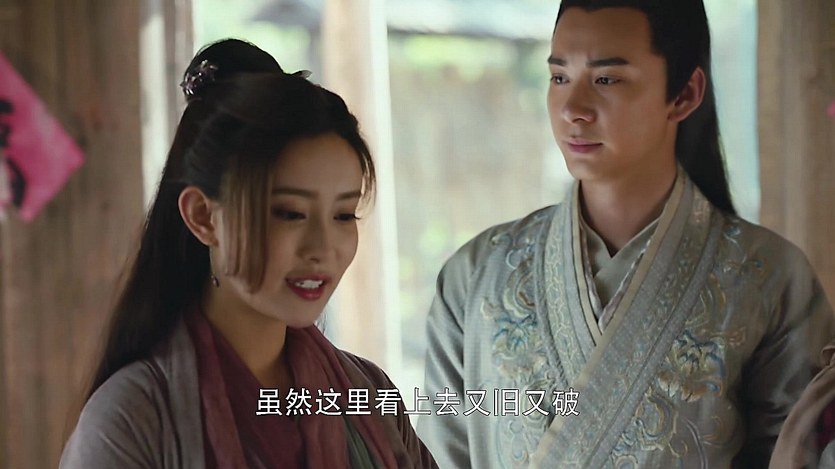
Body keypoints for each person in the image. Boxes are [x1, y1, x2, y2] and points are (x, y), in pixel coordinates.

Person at [417, 1, 833, 467]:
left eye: (606, 79)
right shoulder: (475, 277)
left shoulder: (768, 278)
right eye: (559, 77)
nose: (572, 109)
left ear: (685, 94)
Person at [60, 39, 437, 469]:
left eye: (343, 215)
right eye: (290, 213)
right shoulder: (131, 420)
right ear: (203, 216)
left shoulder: (366, 394)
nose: (322, 248)